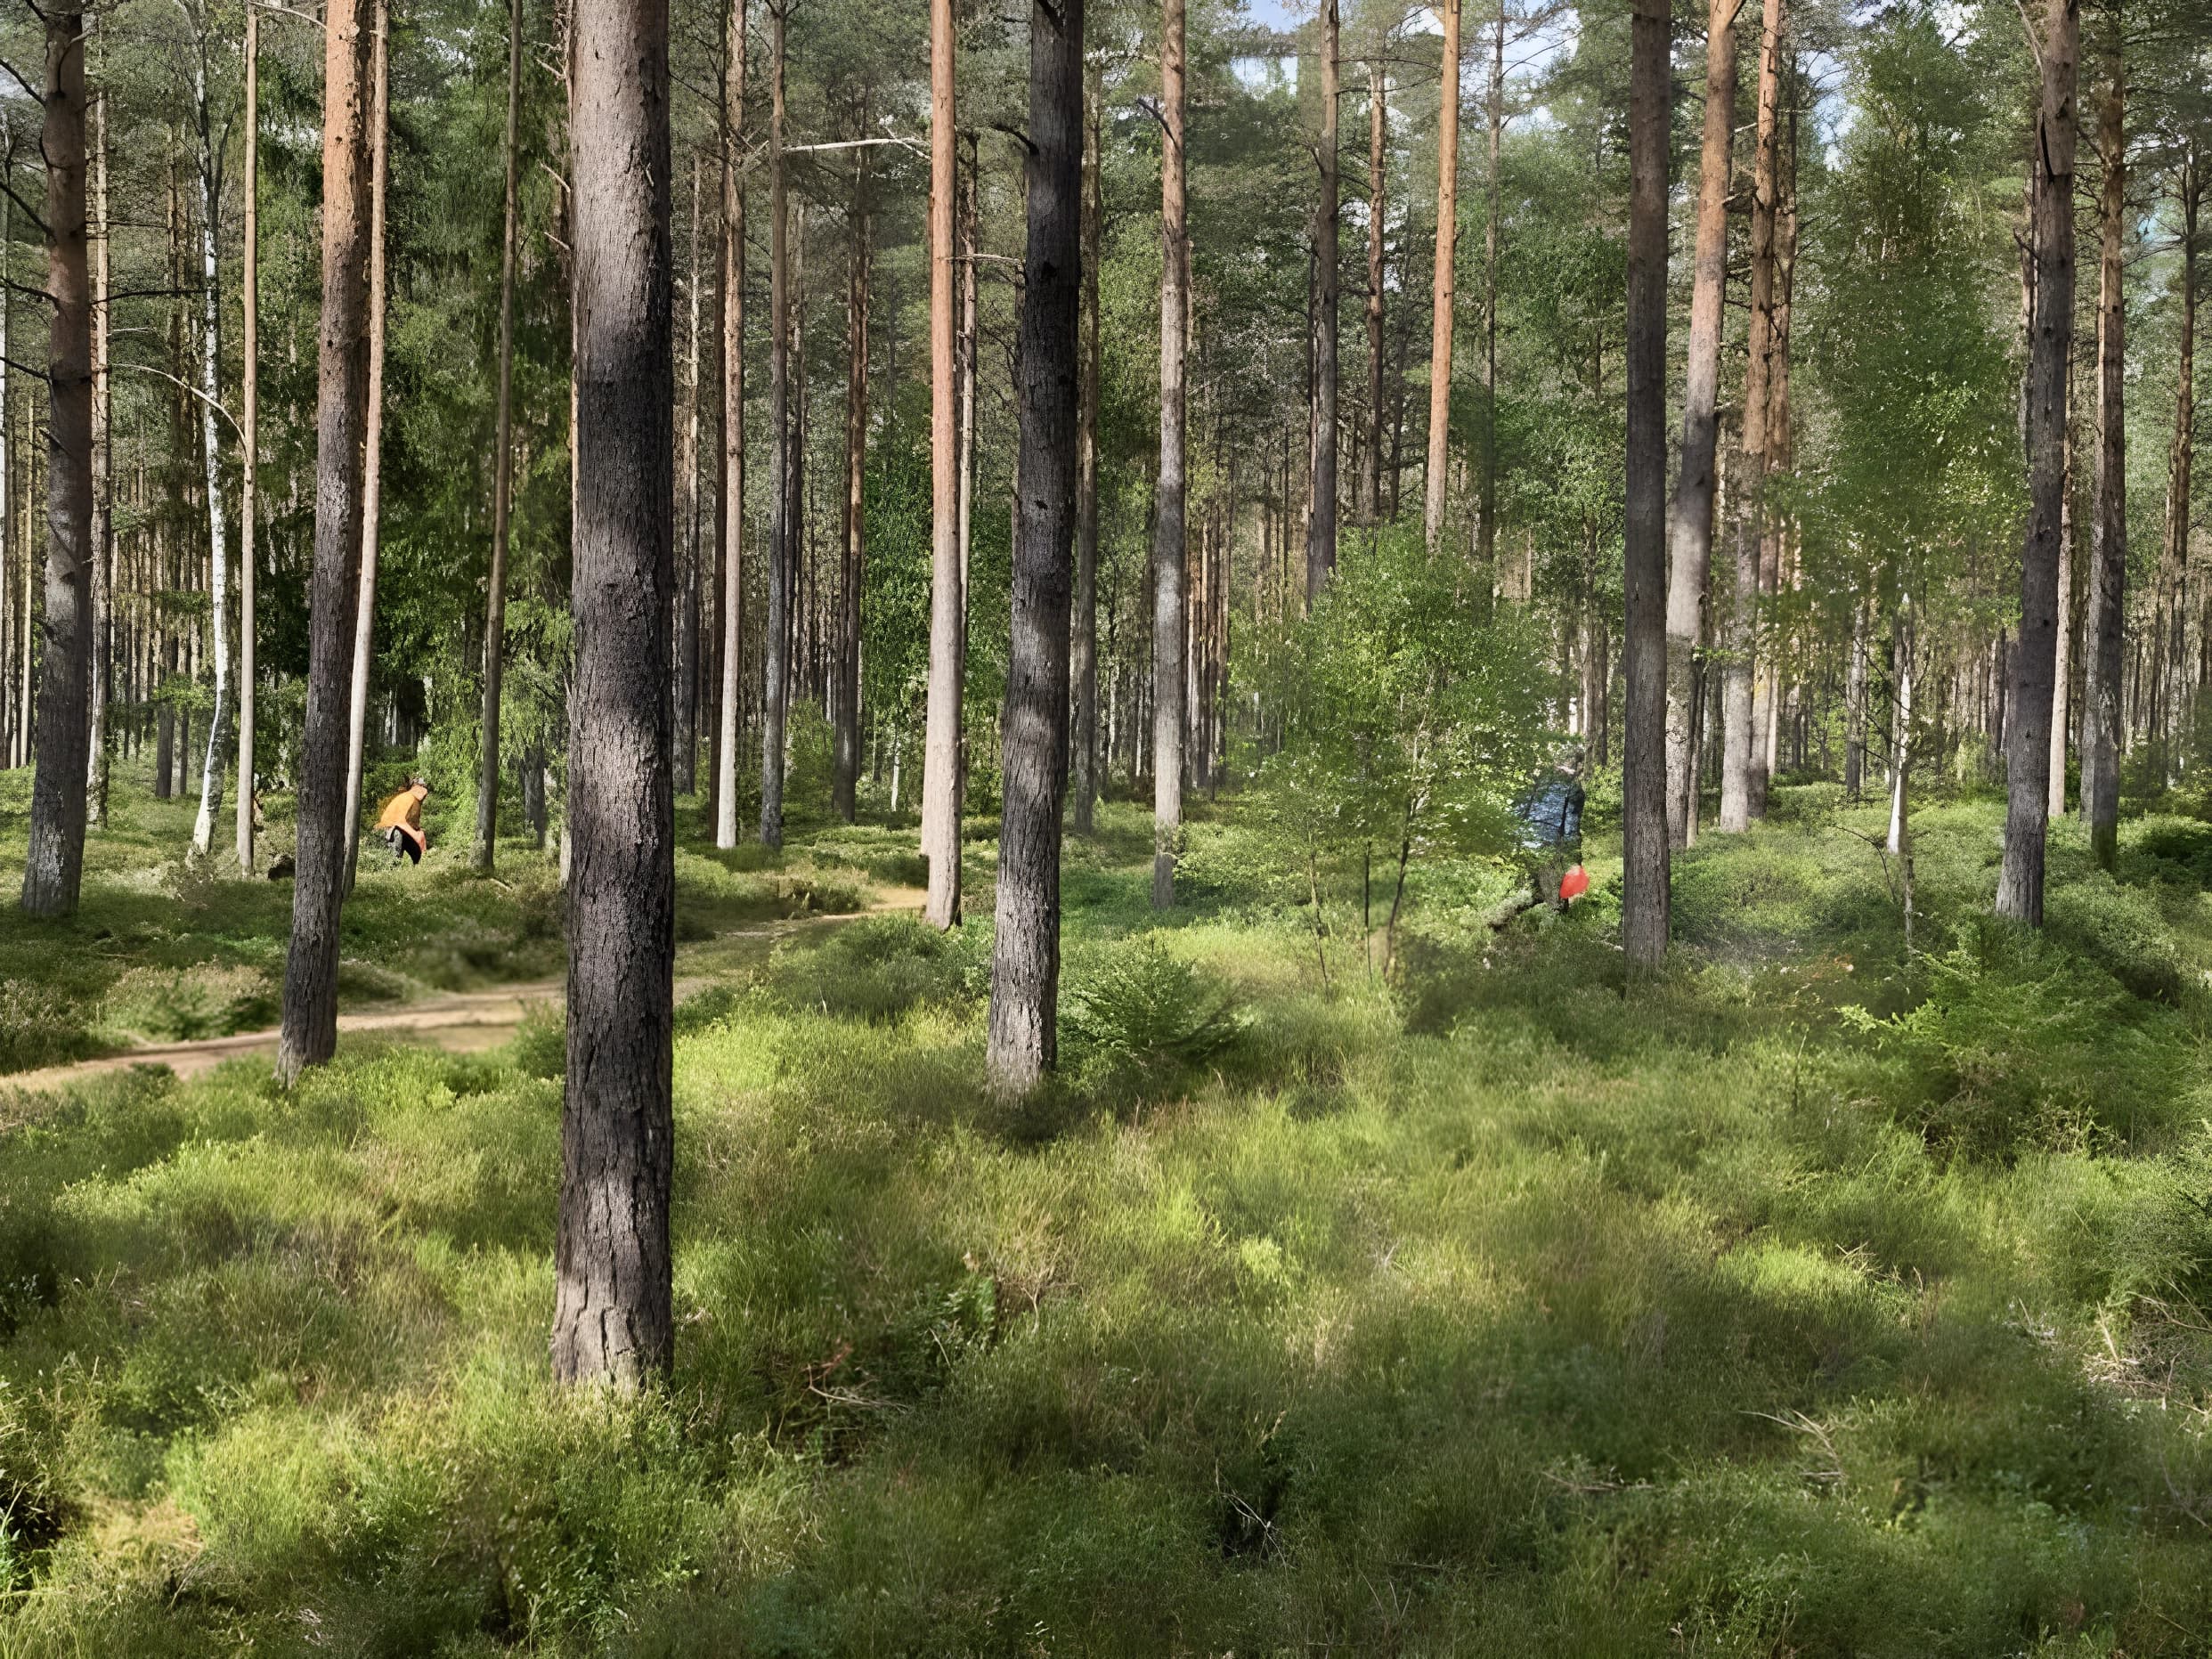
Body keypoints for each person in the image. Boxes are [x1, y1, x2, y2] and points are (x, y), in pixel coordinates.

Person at [374, 778, 431, 866]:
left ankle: (417, 869)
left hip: (400, 830)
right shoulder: (410, 798)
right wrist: (417, 834)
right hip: (393, 829)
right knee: (394, 861)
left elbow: (411, 821)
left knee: (417, 853)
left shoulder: (409, 797)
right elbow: (400, 821)